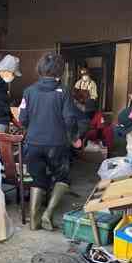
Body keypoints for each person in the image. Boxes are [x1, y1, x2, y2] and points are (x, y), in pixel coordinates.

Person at [19, 52, 81, 231]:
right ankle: (48, 213)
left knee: (38, 179)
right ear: (60, 71)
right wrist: (75, 138)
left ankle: (34, 220)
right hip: (57, 144)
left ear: (40, 69)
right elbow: (70, 119)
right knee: (63, 177)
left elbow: (22, 119)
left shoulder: (29, 91)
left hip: (33, 144)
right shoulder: (64, 92)